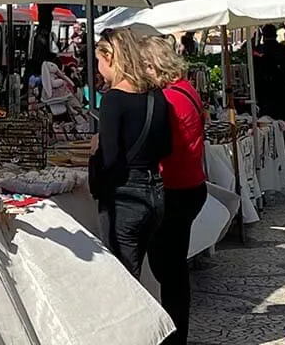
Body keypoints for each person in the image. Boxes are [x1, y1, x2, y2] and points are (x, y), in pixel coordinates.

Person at [88, 28, 171, 279]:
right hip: (155, 193)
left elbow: (110, 160)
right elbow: (166, 146)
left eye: (98, 60)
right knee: (134, 272)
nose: (98, 67)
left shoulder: (113, 99)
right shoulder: (156, 95)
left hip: (125, 198)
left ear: (109, 57)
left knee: (124, 280)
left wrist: (95, 152)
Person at [143, 36, 206, 345]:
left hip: (175, 187)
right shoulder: (187, 89)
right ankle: (177, 331)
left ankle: (174, 334)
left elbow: (155, 145)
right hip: (192, 184)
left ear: (152, 65)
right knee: (173, 267)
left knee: (168, 269)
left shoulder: (167, 99)